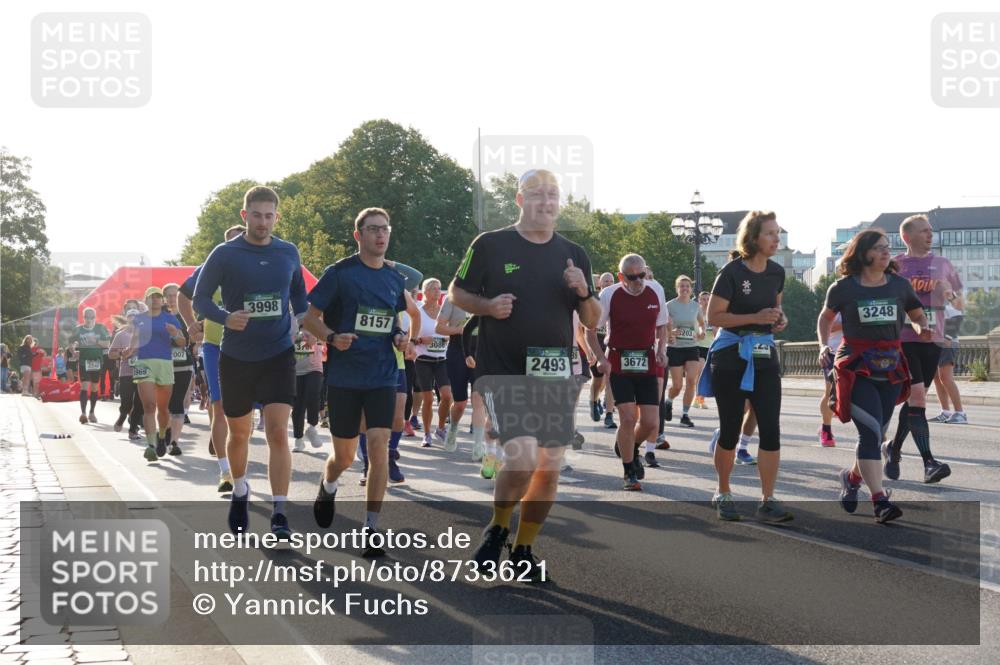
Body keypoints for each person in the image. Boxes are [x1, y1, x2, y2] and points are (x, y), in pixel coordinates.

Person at [450, 169, 600, 582]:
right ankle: (498, 527)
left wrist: (583, 290)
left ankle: (523, 547)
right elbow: (456, 292)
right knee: (522, 457)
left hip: (554, 372)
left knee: (549, 464)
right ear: (519, 199)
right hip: (503, 369)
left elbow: (592, 319)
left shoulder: (573, 252)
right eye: (537, 194)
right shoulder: (490, 244)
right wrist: (487, 306)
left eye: (553, 195)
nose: (547, 202)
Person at [193, 186, 308, 538]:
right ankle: (240, 489)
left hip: (278, 354)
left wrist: (300, 323)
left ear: (277, 216)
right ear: (245, 216)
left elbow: (299, 296)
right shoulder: (225, 253)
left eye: (269, 215)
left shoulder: (288, 251)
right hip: (237, 356)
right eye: (256, 215)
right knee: (240, 432)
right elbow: (200, 299)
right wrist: (226, 318)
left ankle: (279, 512)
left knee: (277, 432)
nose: (263, 222)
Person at [303, 206, 410, 558]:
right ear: (358, 235)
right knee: (345, 456)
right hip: (346, 377)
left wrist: (398, 336)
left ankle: (371, 529)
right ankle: (329, 484)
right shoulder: (340, 273)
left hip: (381, 375)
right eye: (373, 229)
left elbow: (394, 320)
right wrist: (332, 337)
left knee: (379, 448)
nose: (381, 235)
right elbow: (309, 316)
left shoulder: (395, 279)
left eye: (385, 229)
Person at [819, 229, 926, 523]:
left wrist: (920, 327)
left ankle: (852, 479)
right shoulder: (843, 288)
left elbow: (917, 314)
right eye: (879, 248)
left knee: (877, 436)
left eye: (887, 247)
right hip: (856, 366)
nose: (885, 252)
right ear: (864, 253)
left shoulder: (900, 286)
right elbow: (825, 318)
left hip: (890, 366)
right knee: (869, 434)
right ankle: (879, 500)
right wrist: (821, 345)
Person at [699, 210, 792, 523]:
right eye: (770, 233)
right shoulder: (732, 273)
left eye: (777, 233)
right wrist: (755, 319)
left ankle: (768, 498)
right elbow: (714, 318)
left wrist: (780, 321)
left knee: (771, 429)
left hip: (765, 354)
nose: (776, 238)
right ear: (753, 238)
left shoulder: (777, 272)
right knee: (729, 428)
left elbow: (776, 312)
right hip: (731, 356)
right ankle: (723, 492)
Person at [883, 214, 961, 484]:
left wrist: (950, 294)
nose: (930, 235)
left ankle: (892, 450)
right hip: (903, 341)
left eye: (931, 231)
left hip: (933, 341)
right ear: (907, 236)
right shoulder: (894, 266)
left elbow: (959, 306)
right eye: (924, 231)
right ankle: (929, 463)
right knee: (917, 397)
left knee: (915, 401)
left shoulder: (942, 263)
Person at [586, 254, 668, 489]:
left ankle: (628, 446)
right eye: (632, 278)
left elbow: (662, 325)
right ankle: (628, 470)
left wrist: (662, 349)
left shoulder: (655, 290)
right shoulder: (609, 294)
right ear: (621, 277)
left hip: (647, 359)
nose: (638, 281)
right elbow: (590, 330)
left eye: (642, 275)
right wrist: (601, 359)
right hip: (619, 359)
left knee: (651, 423)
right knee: (628, 418)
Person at [178, 223, 245, 493]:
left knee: (240, 414)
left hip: (249, 347)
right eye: (230, 241)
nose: (235, 246)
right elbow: (184, 296)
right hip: (215, 345)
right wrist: (191, 324)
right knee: (219, 407)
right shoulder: (211, 267)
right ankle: (226, 472)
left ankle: (230, 452)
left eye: (239, 239)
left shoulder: (257, 265)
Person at [126, 287, 184, 461]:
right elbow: (135, 338)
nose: (156, 300)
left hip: (165, 363)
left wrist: (174, 334)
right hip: (144, 362)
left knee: (163, 409)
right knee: (149, 405)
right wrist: (129, 350)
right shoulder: (139, 319)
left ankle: (161, 437)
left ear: (162, 300)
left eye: (158, 297)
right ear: (146, 300)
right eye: (152, 297)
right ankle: (150, 445)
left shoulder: (170, 318)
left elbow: (182, 342)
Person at [412, 279, 453, 447]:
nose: (437, 292)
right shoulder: (418, 313)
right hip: (423, 360)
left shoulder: (444, 313)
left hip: (442, 360)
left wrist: (446, 338)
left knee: (447, 396)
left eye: (438, 289)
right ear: (425, 292)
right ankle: (427, 433)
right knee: (428, 399)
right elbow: (411, 337)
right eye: (433, 289)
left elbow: (451, 333)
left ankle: (441, 428)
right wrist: (421, 340)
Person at [664, 275, 705, 428]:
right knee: (677, 385)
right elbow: (663, 326)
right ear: (677, 288)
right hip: (675, 348)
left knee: (691, 381)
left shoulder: (695, 306)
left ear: (691, 289)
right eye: (682, 286)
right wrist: (670, 332)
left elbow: (701, 323)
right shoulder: (669, 306)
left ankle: (685, 415)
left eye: (687, 286)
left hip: (692, 347)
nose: (685, 289)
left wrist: (701, 332)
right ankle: (668, 402)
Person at [437, 294, 477, 453]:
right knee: (460, 403)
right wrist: (460, 330)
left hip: (481, 353)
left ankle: (479, 444)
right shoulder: (453, 298)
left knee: (480, 400)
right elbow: (438, 327)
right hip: (457, 352)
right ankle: (452, 429)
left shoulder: (489, 295)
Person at [163, 283, 194, 456]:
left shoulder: (186, 316)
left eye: (175, 295)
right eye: (168, 295)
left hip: (183, 364)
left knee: (178, 404)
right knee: (165, 405)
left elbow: (191, 339)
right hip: (163, 366)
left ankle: (174, 442)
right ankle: (165, 435)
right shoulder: (158, 317)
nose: (172, 299)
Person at [930, 294, 968, 424]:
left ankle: (960, 413)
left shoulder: (948, 297)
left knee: (946, 378)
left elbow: (958, 316)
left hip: (947, 343)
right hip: (934, 343)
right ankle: (945, 412)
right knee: (936, 378)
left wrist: (948, 337)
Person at [69, 308, 111, 422]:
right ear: (84, 317)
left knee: (94, 387)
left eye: (92, 317)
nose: (89, 319)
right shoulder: (78, 330)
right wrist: (73, 350)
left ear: (95, 317)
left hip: (97, 361)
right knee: (84, 386)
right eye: (87, 317)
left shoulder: (101, 328)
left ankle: (92, 412)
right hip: (84, 361)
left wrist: (96, 341)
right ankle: (83, 413)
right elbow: (71, 344)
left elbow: (107, 344)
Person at [108, 310, 144, 438]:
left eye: (136, 317)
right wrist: (123, 354)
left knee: (140, 403)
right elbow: (110, 354)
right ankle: (123, 416)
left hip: (142, 372)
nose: (133, 319)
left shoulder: (145, 334)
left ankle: (133, 430)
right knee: (126, 402)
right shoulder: (121, 335)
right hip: (126, 372)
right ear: (127, 319)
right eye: (131, 317)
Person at [587, 272, 616, 423]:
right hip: (595, 341)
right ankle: (593, 401)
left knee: (609, 378)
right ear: (600, 284)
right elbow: (584, 326)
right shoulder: (594, 300)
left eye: (611, 281)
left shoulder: (617, 298)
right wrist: (588, 350)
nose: (608, 283)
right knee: (598, 379)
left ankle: (609, 414)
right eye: (605, 281)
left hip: (609, 342)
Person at [291, 327, 325, 452]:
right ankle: (299, 439)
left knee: (313, 395)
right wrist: (300, 341)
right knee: (298, 406)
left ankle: (312, 427)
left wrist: (317, 338)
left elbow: (326, 338)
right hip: (296, 370)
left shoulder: (316, 323)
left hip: (314, 368)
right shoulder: (290, 321)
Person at [818, 312, 843, 446]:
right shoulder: (836, 297)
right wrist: (852, 322)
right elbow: (828, 326)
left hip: (854, 351)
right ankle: (825, 429)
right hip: (832, 352)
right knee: (830, 391)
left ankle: (878, 434)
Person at [693, 291, 714, 409]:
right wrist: (700, 332)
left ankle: (701, 399)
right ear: (699, 301)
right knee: (700, 372)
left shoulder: (713, 314)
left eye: (708, 299)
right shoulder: (696, 313)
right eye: (704, 299)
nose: (706, 302)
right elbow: (693, 328)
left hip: (711, 347)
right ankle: (697, 398)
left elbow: (717, 332)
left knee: (707, 374)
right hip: (699, 346)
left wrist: (713, 330)